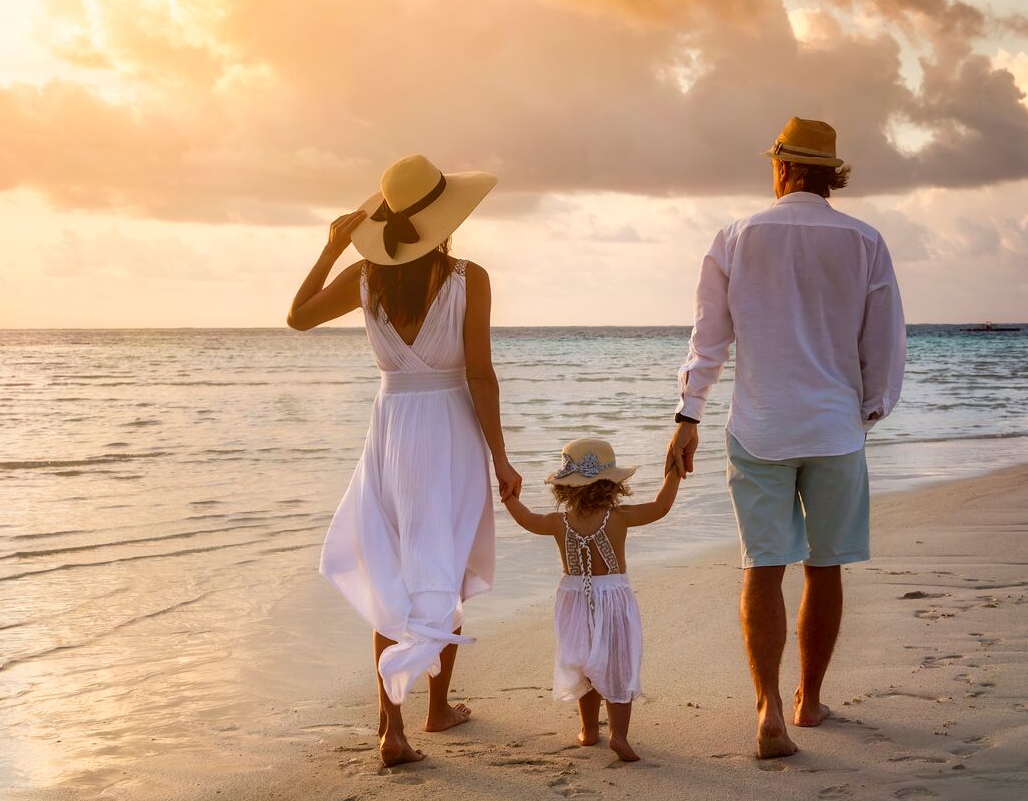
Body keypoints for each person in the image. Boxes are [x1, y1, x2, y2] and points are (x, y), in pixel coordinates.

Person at [665, 117, 906, 759]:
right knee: (824, 567)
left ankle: (767, 705)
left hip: (759, 425)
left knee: (762, 566)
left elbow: (708, 339)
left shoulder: (736, 237)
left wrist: (688, 416)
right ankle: (808, 698)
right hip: (833, 427)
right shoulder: (864, 241)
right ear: (831, 174)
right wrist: (869, 412)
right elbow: (882, 342)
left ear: (781, 169)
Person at [287, 154, 523, 768]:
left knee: (393, 568)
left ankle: (390, 727)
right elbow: (479, 374)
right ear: (446, 218)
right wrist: (501, 457)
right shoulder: (470, 277)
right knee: (441, 556)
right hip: (449, 429)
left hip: (391, 431)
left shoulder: (366, 278)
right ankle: (436, 708)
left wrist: (332, 249)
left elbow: (298, 316)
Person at [502, 437, 682, 764]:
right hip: (613, 597)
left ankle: (588, 730)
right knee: (616, 665)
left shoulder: (559, 522)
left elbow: (525, 519)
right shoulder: (620, 517)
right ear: (611, 484)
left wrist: (509, 496)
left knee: (584, 663)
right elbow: (661, 507)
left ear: (565, 487)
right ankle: (619, 735)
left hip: (573, 600)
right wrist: (673, 471)